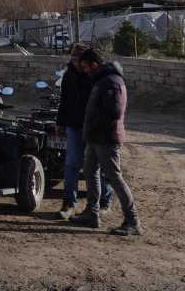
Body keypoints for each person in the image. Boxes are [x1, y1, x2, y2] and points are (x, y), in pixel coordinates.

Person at [69, 48, 143, 236]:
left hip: (106, 138)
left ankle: (132, 220)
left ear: (94, 64)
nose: (84, 70)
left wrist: (93, 126)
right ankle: (92, 213)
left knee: (114, 177)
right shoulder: (102, 80)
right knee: (90, 171)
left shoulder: (110, 81)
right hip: (96, 138)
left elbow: (114, 112)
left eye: (86, 67)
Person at [53, 43, 114, 219]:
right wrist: (60, 122)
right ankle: (69, 203)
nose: (76, 64)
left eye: (78, 60)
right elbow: (64, 101)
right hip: (74, 125)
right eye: (73, 60)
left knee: (99, 166)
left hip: (94, 127)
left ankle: (104, 202)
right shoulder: (68, 75)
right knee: (71, 164)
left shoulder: (96, 76)